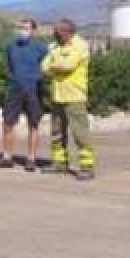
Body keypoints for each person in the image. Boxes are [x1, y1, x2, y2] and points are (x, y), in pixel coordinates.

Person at [0, 18, 49, 172]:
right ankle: (7, 157)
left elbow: (48, 65)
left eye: (26, 28)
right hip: (14, 89)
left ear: (33, 31)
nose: (22, 31)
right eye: (20, 28)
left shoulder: (41, 48)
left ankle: (31, 159)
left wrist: (38, 77)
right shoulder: (11, 46)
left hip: (34, 90)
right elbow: (8, 66)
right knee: (7, 123)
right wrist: (13, 79)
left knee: (33, 124)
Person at [41, 19, 95, 181]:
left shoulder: (80, 45)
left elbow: (68, 65)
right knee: (57, 133)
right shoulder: (54, 46)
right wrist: (55, 64)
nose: (55, 35)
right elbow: (43, 67)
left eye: (57, 32)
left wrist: (53, 63)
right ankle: (59, 163)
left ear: (67, 31)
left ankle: (86, 167)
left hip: (75, 97)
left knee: (80, 133)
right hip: (57, 96)